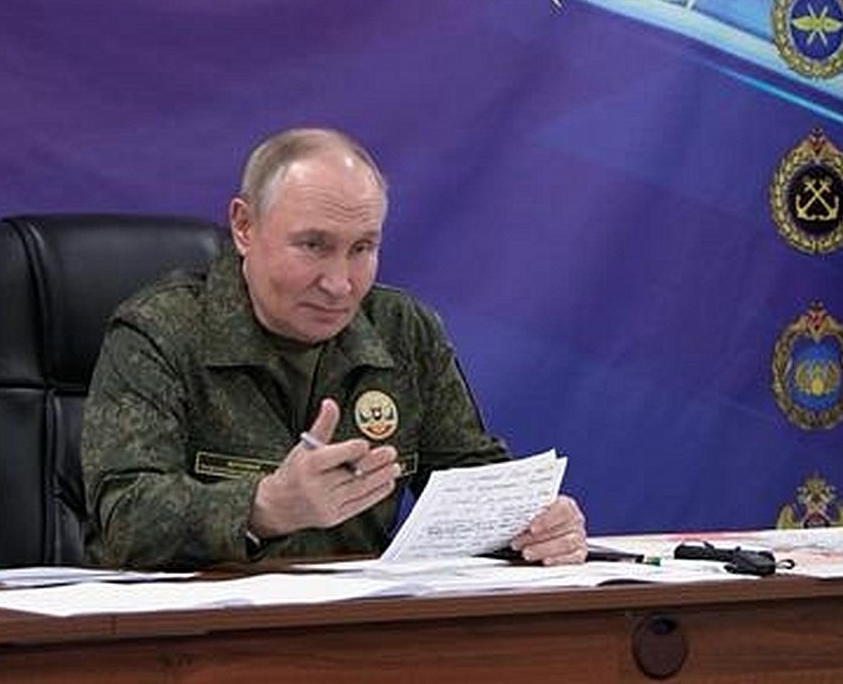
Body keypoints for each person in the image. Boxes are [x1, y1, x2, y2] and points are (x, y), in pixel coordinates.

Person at [81, 127, 587, 569]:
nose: (340, 284)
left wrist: (533, 524)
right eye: (313, 246)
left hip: (356, 629)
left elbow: (471, 481)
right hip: (199, 631)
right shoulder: (161, 330)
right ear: (244, 227)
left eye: (362, 248)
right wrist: (264, 507)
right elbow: (124, 517)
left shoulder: (402, 330)